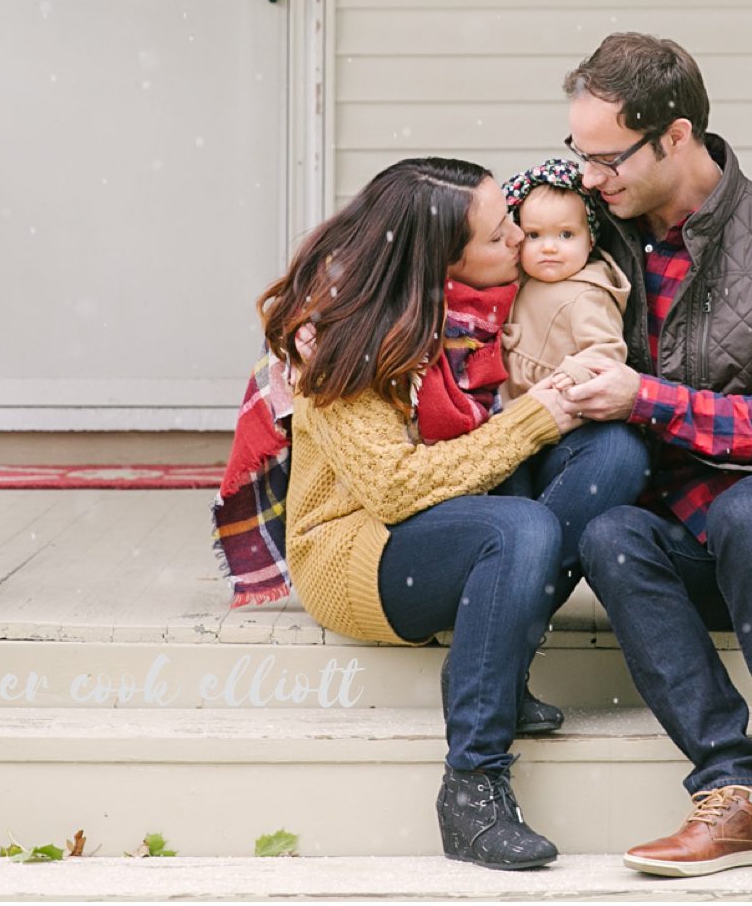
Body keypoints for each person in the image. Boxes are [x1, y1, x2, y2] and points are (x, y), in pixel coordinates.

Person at [261, 156, 644, 871]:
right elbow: (396, 490)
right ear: (445, 260)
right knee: (522, 526)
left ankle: (494, 655)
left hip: (465, 510)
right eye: (501, 235)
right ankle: (471, 789)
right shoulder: (340, 335)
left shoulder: (485, 312)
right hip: (358, 545)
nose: (521, 242)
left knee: (616, 453)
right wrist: (535, 418)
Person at [558, 34, 752, 889]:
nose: (589, 178)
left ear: (676, 135)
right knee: (610, 531)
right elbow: (473, 236)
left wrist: (644, 398)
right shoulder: (590, 224)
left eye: (605, 157)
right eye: (575, 154)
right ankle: (733, 787)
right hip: (663, 523)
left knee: (747, 511)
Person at [499, 158, 631, 406]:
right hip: (509, 396)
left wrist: (573, 375)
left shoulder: (587, 294)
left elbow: (606, 349)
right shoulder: (521, 274)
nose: (549, 247)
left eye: (566, 235)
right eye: (534, 235)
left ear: (590, 240)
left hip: (557, 400)